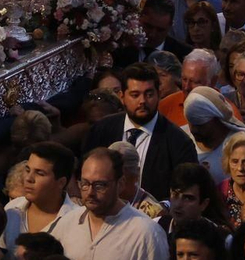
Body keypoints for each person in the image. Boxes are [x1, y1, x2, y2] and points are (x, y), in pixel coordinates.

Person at [49, 150, 168, 260]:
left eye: (100, 185)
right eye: (85, 183)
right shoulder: (66, 224)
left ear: (120, 184)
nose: (90, 192)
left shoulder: (146, 234)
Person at [82, 63, 197, 200]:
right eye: (135, 95)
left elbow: (186, 193)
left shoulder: (178, 142)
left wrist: (161, 207)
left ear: (159, 94)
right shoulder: (101, 130)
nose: (142, 101)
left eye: (149, 94)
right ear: (122, 97)